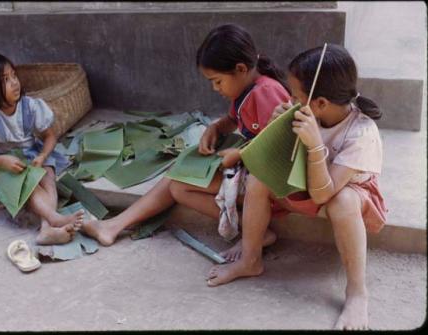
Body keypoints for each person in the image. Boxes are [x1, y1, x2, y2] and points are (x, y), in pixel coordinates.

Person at [206, 44, 387, 330]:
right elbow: (282, 157)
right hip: (310, 180)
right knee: (259, 176)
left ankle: (357, 293)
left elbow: (323, 194)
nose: (290, 100)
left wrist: (315, 146)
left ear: (321, 104)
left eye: (295, 96)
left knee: (344, 201)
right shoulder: (310, 111)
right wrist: (278, 123)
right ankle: (250, 259)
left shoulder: (362, 134)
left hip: (338, 191)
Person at [82, 24, 290, 253]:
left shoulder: (266, 92)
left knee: (180, 181)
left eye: (217, 81)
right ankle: (112, 226)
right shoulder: (247, 88)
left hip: (267, 186)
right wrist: (216, 128)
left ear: (240, 68)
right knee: (179, 182)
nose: (214, 88)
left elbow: (279, 148)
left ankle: (113, 226)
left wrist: (238, 154)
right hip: (249, 169)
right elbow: (232, 119)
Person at [0, 53, 84, 245]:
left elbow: (50, 136)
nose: (14, 82)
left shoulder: (30, 106)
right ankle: (54, 219)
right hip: (3, 166)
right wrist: (2, 161)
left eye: (14, 75)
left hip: (32, 154)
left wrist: (43, 155)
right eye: (5, 79)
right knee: (28, 186)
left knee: (46, 174)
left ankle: (47, 228)